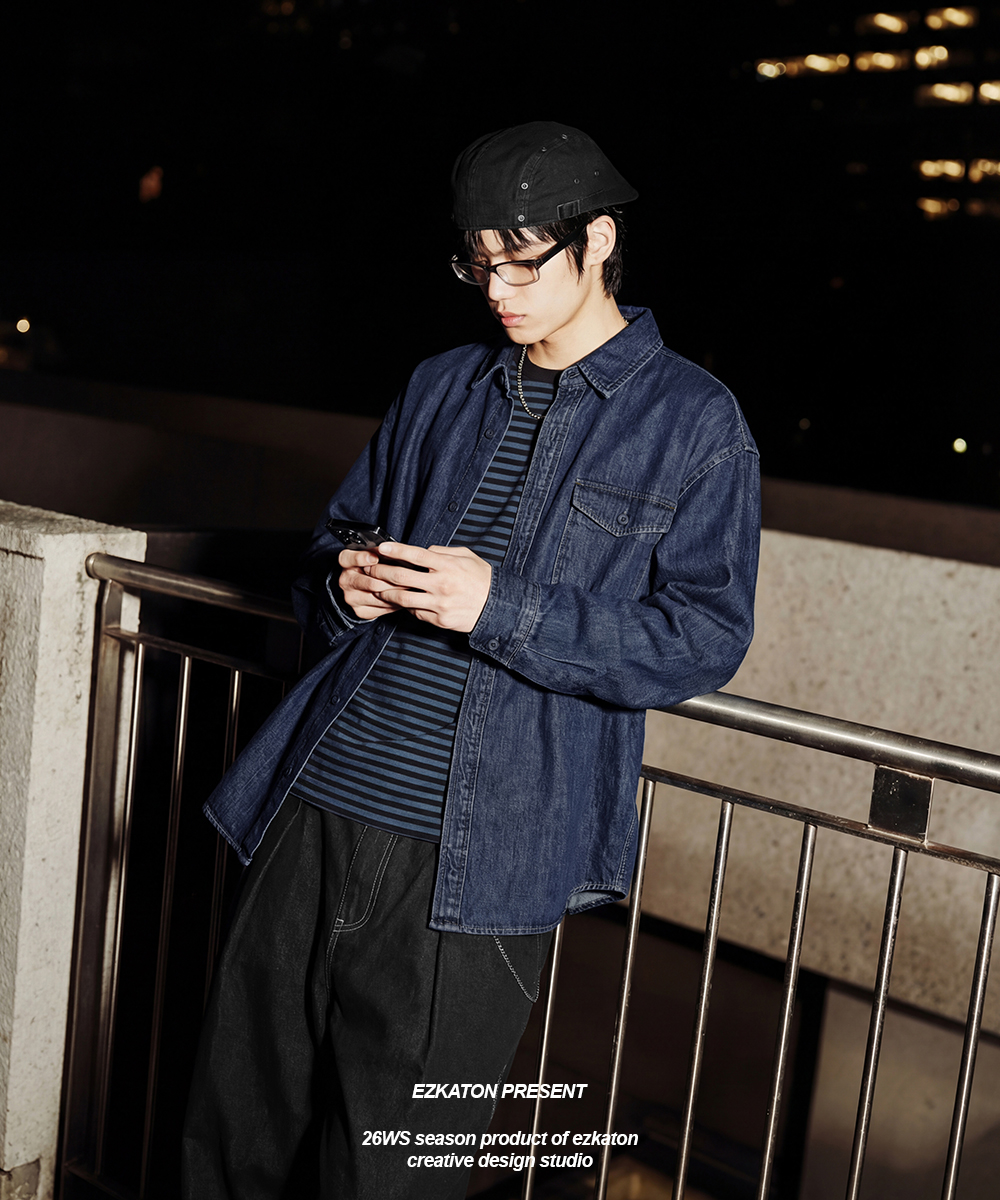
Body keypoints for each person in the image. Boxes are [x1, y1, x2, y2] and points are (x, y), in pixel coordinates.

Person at [182, 120, 760, 1200]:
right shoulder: (443, 385)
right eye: (477, 263)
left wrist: (505, 608)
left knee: (395, 1170)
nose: (497, 290)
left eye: (522, 262)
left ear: (598, 240)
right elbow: (334, 539)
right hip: (312, 802)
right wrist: (345, 584)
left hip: (482, 855)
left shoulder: (694, 422)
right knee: (231, 1131)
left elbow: (703, 637)